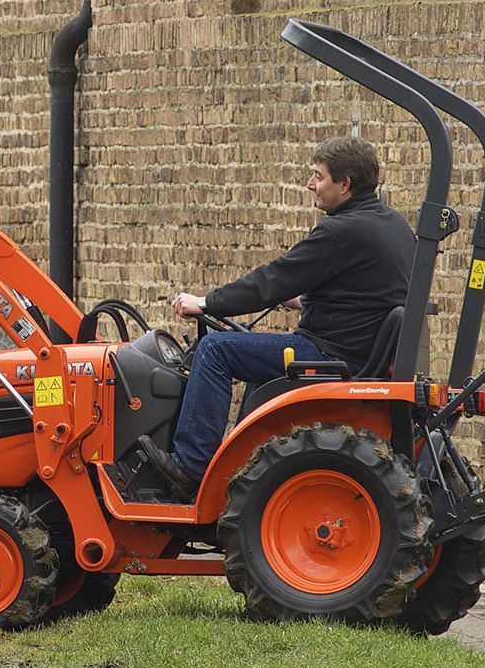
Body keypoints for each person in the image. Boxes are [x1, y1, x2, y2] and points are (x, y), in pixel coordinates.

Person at [160, 135, 414, 500]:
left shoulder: (340, 231)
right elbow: (367, 294)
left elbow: (271, 280)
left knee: (215, 349)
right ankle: (245, 469)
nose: (311, 184)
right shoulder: (392, 224)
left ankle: (190, 467)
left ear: (344, 184)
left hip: (329, 354)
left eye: (318, 176)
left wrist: (206, 302)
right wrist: (305, 301)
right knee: (255, 363)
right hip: (357, 348)